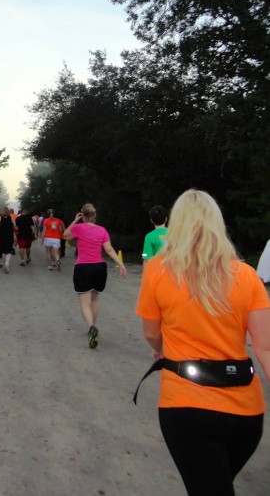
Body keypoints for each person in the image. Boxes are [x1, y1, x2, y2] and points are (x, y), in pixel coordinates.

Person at [135, 189, 270, 496]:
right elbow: (266, 348)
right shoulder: (248, 276)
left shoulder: (157, 271)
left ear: (176, 224)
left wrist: (160, 349)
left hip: (186, 406)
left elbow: (151, 333)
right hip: (246, 412)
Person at [64, 203, 127, 348]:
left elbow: (65, 235)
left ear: (83, 216)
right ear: (95, 216)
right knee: (94, 299)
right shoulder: (102, 230)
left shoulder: (78, 228)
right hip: (99, 267)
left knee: (84, 302)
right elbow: (109, 249)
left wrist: (75, 220)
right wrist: (121, 264)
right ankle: (93, 326)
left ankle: (91, 327)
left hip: (83, 267)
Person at [0, 207, 16, 273]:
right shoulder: (11, 218)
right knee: (9, 251)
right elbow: (15, 226)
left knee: (3, 250)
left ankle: (2, 262)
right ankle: (7, 263)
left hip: (2, 236)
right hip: (10, 236)